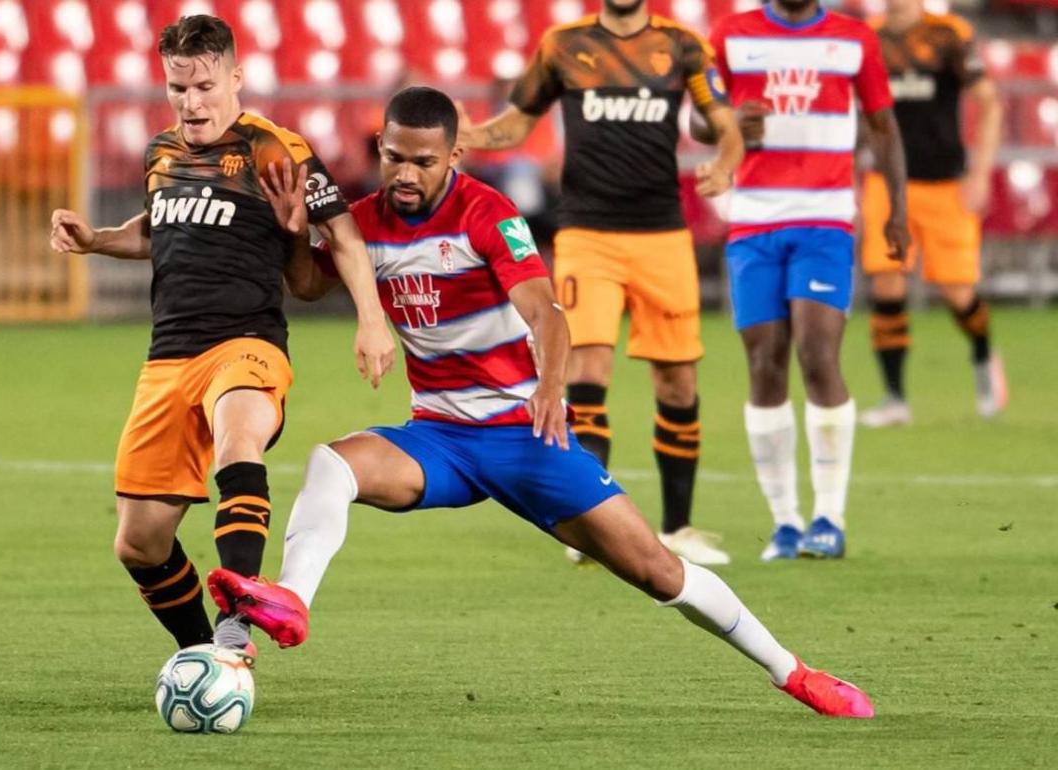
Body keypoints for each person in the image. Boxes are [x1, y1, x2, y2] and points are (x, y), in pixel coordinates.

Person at [208, 86, 874, 719]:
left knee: (659, 571)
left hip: (524, 436)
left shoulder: (486, 214)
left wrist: (552, 387)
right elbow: (309, 286)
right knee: (332, 462)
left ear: (454, 155)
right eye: (394, 157)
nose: (405, 174)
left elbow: (547, 314)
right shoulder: (366, 223)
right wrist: (293, 233)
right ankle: (292, 600)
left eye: (424, 162)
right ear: (380, 146)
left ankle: (792, 671)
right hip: (438, 437)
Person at [48, 15, 394, 657]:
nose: (191, 102)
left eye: (204, 86)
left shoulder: (274, 148)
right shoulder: (161, 153)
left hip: (246, 342)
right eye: (178, 88)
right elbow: (159, 229)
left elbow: (343, 235)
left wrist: (371, 321)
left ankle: (236, 628)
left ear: (236, 77)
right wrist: (97, 239)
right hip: (167, 357)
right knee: (139, 541)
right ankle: (204, 651)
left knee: (239, 439)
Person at [456, 0, 745, 566]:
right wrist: (472, 134)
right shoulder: (562, 45)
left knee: (677, 381)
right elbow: (519, 120)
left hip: (663, 234)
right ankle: (593, 527)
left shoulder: (682, 46)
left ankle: (679, 528)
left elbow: (725, 123)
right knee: (587, 370)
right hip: (587, 233)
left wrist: (726, 161)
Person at [703, 0, 910, 560]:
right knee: (764, 364)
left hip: (825, 221)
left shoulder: (855, 38)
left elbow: (883, 125)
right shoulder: (730, 34)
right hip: (754, 222)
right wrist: (729, 121)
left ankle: (829, 517)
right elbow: (698, 119)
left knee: (818, 356)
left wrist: (897, 211)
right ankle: (786, 523)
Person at [858, 0, 1006, 427]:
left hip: (945, 183)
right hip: (887, 183)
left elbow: (990, 103)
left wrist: (980, 174)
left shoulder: (948, 35)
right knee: (886, 283)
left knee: (957, 292)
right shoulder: (868, 38)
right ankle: (894, 398)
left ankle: (983, 355)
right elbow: (854, 110)